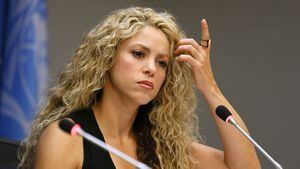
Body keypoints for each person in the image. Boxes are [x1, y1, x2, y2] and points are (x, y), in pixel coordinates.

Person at [18, 7, 261, 169]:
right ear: (107, 58)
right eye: (138, 54)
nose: (151, 69)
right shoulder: (68, 136)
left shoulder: (164, 145)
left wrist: (209, 86)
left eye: (162, 63)